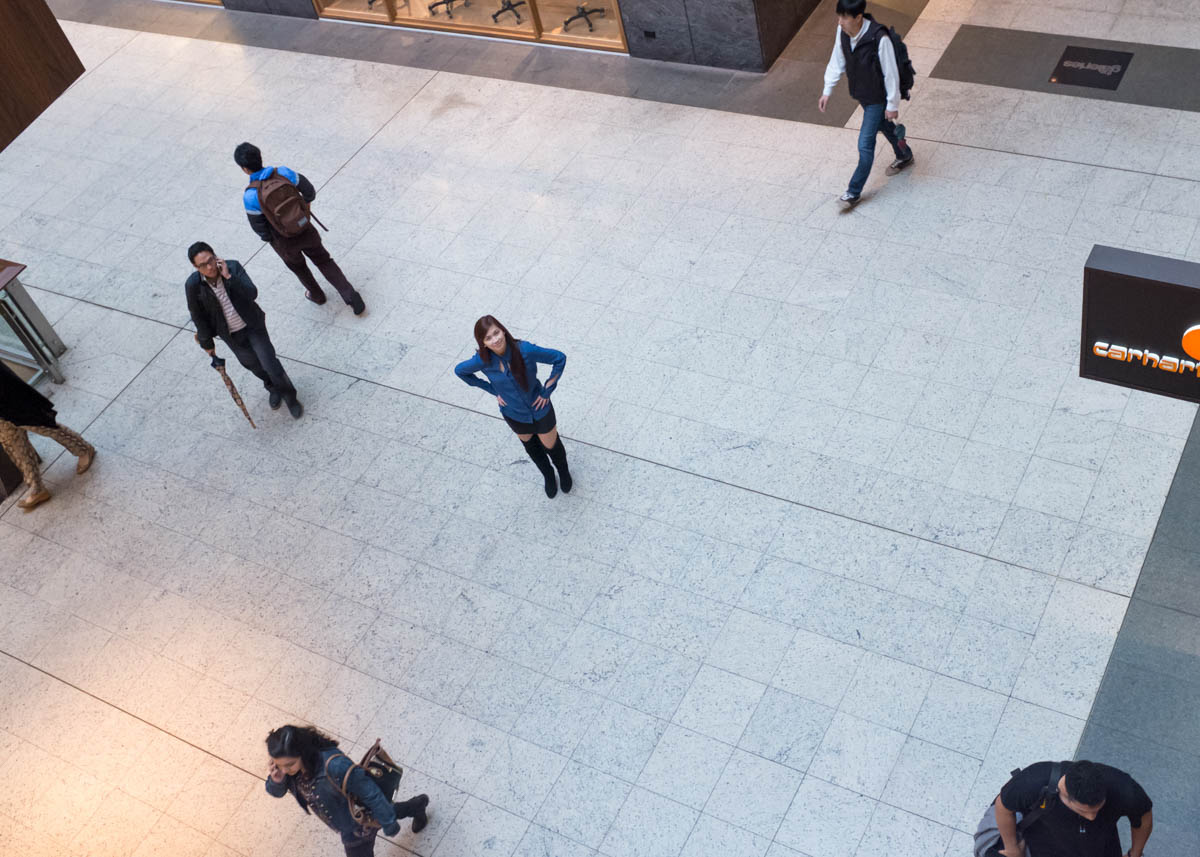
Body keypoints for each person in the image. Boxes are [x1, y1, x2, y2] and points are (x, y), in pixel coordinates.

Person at [233, 142, 366, 315]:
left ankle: (317, 296)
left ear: (244, 169)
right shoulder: (282, 173)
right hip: (305, 228)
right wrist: (302, 212)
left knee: (299, 268)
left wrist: (272, 238)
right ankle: (350, 295)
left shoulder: (250, 195)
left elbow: (259, 228)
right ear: (260, 157)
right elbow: (309, 191)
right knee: (324, 260)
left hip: (283, 241)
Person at [264, 725, 429, 857]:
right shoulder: (291, 770)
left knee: (380, 814)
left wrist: (389, 823)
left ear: (302, 752)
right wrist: (276, 780)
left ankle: (414, 806)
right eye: (279, 765)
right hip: (352, 816)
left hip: (356, 828)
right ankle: (417, 805)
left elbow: (370, 792)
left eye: (289, 765)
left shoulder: (335, 765)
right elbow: (276, 792)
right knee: (385, 811)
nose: (284, 770)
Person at [454, 315, 571, 498]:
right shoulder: (482, 361)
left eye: (496, 332)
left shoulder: (525, 350)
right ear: (483, 343)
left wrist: (547, 390)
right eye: (488, 338)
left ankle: (563, 472)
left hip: (540, 410)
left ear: (503, 330)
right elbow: (460, 371)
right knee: (531, 446)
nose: (495, 339)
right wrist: (493, 390)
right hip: (514, 414)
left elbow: (559, 358)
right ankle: (548, 475)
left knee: (552, 446)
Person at [185, 241, 303, 419]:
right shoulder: (193, 285)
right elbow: (197, 315)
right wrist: (206, 342)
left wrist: (229, 278)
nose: (209, 267)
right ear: (195, 267)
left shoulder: (232, 267)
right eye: (203, 265)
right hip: (230, 334)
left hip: (253, 325)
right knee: (252, 365)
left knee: (270, 363)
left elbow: (252, 293)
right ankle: (272, 387)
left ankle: (290, 396)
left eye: (211, 260)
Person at [818, 0, 914, 208]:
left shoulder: (880, 39)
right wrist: (827, 90)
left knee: (865, 143)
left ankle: (853, 192)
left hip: (877, 98)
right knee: (886, 127)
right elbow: (838, 59)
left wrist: (892, 104)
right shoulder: (842, 32)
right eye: (839, 16)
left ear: (859, 17)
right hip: (862, 93)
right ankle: (905, 154)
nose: (840, 21)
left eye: (844, 17)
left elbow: (891, 74)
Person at [989, 759, 1153, 857]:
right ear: (1064, 792)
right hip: (1044, 849)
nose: (1091, 817)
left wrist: (1135, 854)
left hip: (1102, 850)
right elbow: (1003, 806)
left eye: (1097, 809)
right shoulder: (1033, 781)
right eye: (1083, 811)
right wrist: (1012, 848)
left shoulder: (1123, 787)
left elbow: (1143, 815)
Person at [0, 361, 95, 511]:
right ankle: (36, 487)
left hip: (9, 398)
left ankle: (83, 449)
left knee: (43, 426)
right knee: (13, 444)